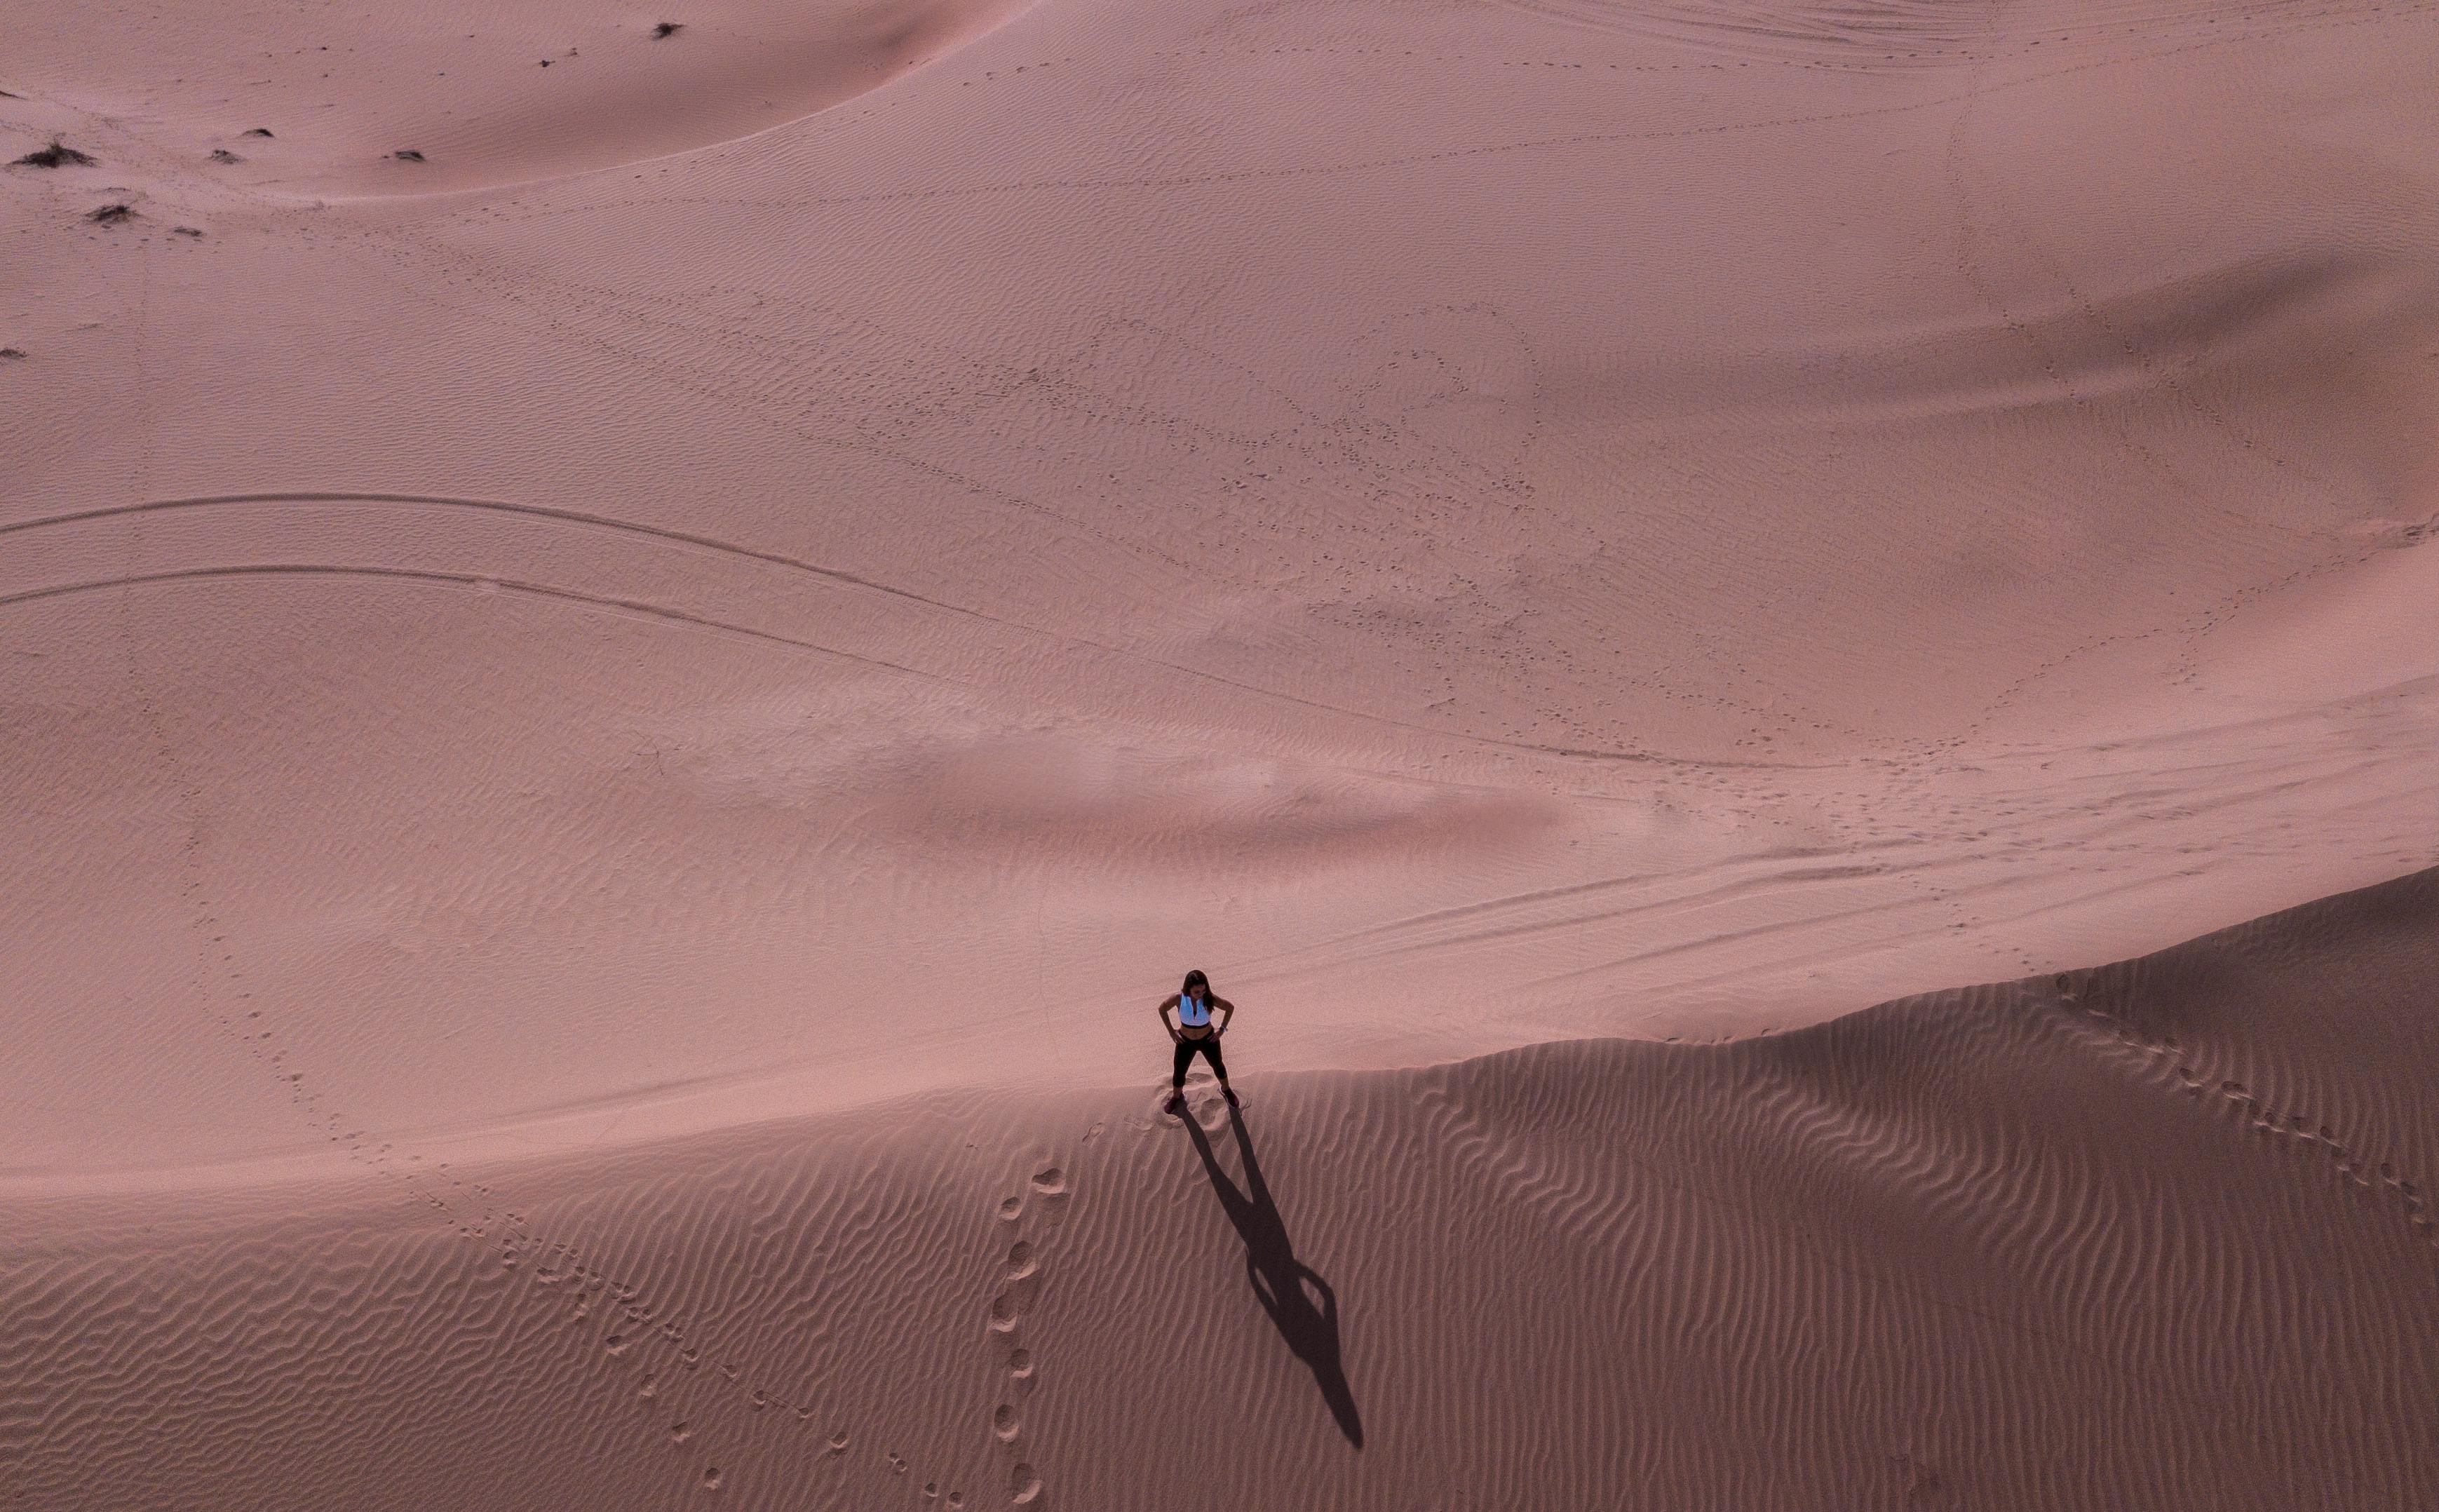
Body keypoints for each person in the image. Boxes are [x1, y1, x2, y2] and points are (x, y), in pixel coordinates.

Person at [1158, 968, 1236, 1112]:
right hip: (1185, 1041)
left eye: (1203, 991)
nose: (1201, 995)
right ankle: (1177, 1097)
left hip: (1209, 1039)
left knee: (1218, 1065)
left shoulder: (1209, 998)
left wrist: (1222, 1029)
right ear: (1188, 989)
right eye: (1197, 992)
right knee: (1179, 1071)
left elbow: (1230, 1007)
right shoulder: (1179, 998)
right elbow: (1162, 1009)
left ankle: (1226, 1090)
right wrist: (1171, 1031)